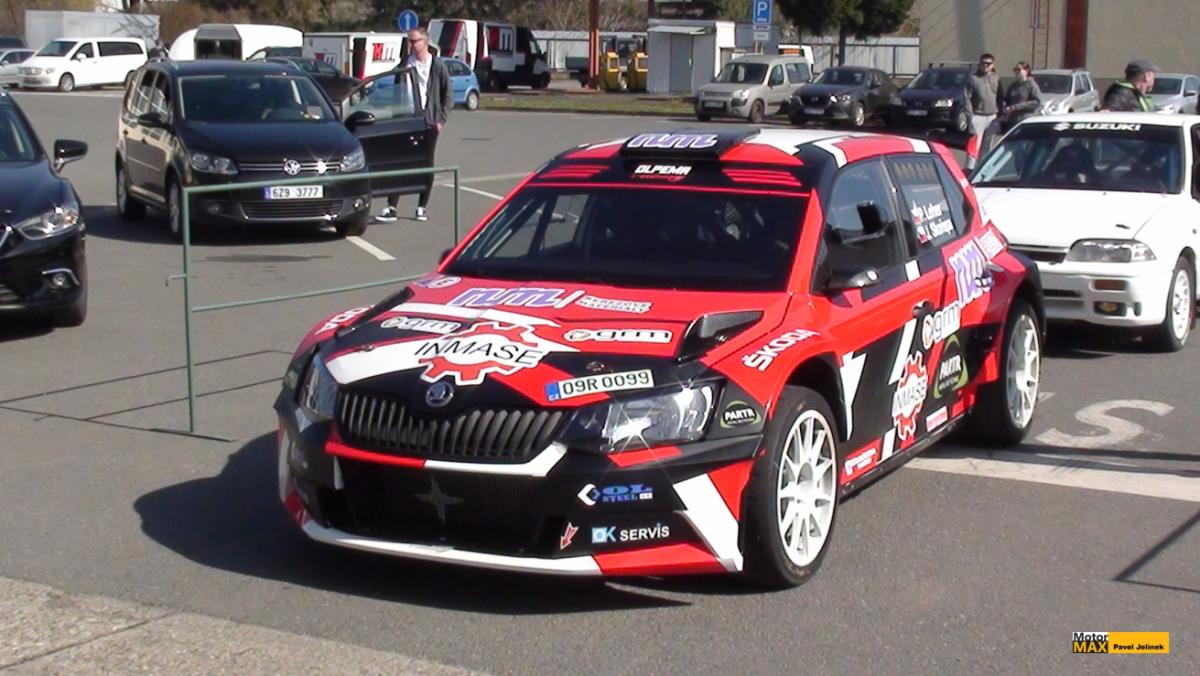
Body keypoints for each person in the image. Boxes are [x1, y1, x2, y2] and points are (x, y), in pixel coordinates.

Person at [376, 27, 452, 223]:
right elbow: (396, 90)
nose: (411, 45)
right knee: (399, 162)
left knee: (426, 163)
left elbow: (447, 95)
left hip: (428, 120)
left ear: (425, 42)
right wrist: (394, 114)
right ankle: (391, 207)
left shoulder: (437, 66)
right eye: (409, 41)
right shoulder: (405, 64)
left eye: (414, 41)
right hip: (405, 118)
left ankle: (421, 207)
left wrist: (441, 120)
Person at [966, 53, 1002, 169]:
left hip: (992, 117)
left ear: (993, 65)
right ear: (979, 64)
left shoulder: (997, 78)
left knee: (988, 147)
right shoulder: (973, 78)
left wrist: (1000, 115)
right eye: (983, 63)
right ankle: (969, 170)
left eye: (988, 63)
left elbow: (1000, 97)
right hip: (978, 116)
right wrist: (970, 116)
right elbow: (966, 98)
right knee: (974, 146)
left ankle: (982, 171)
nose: (985, 65)